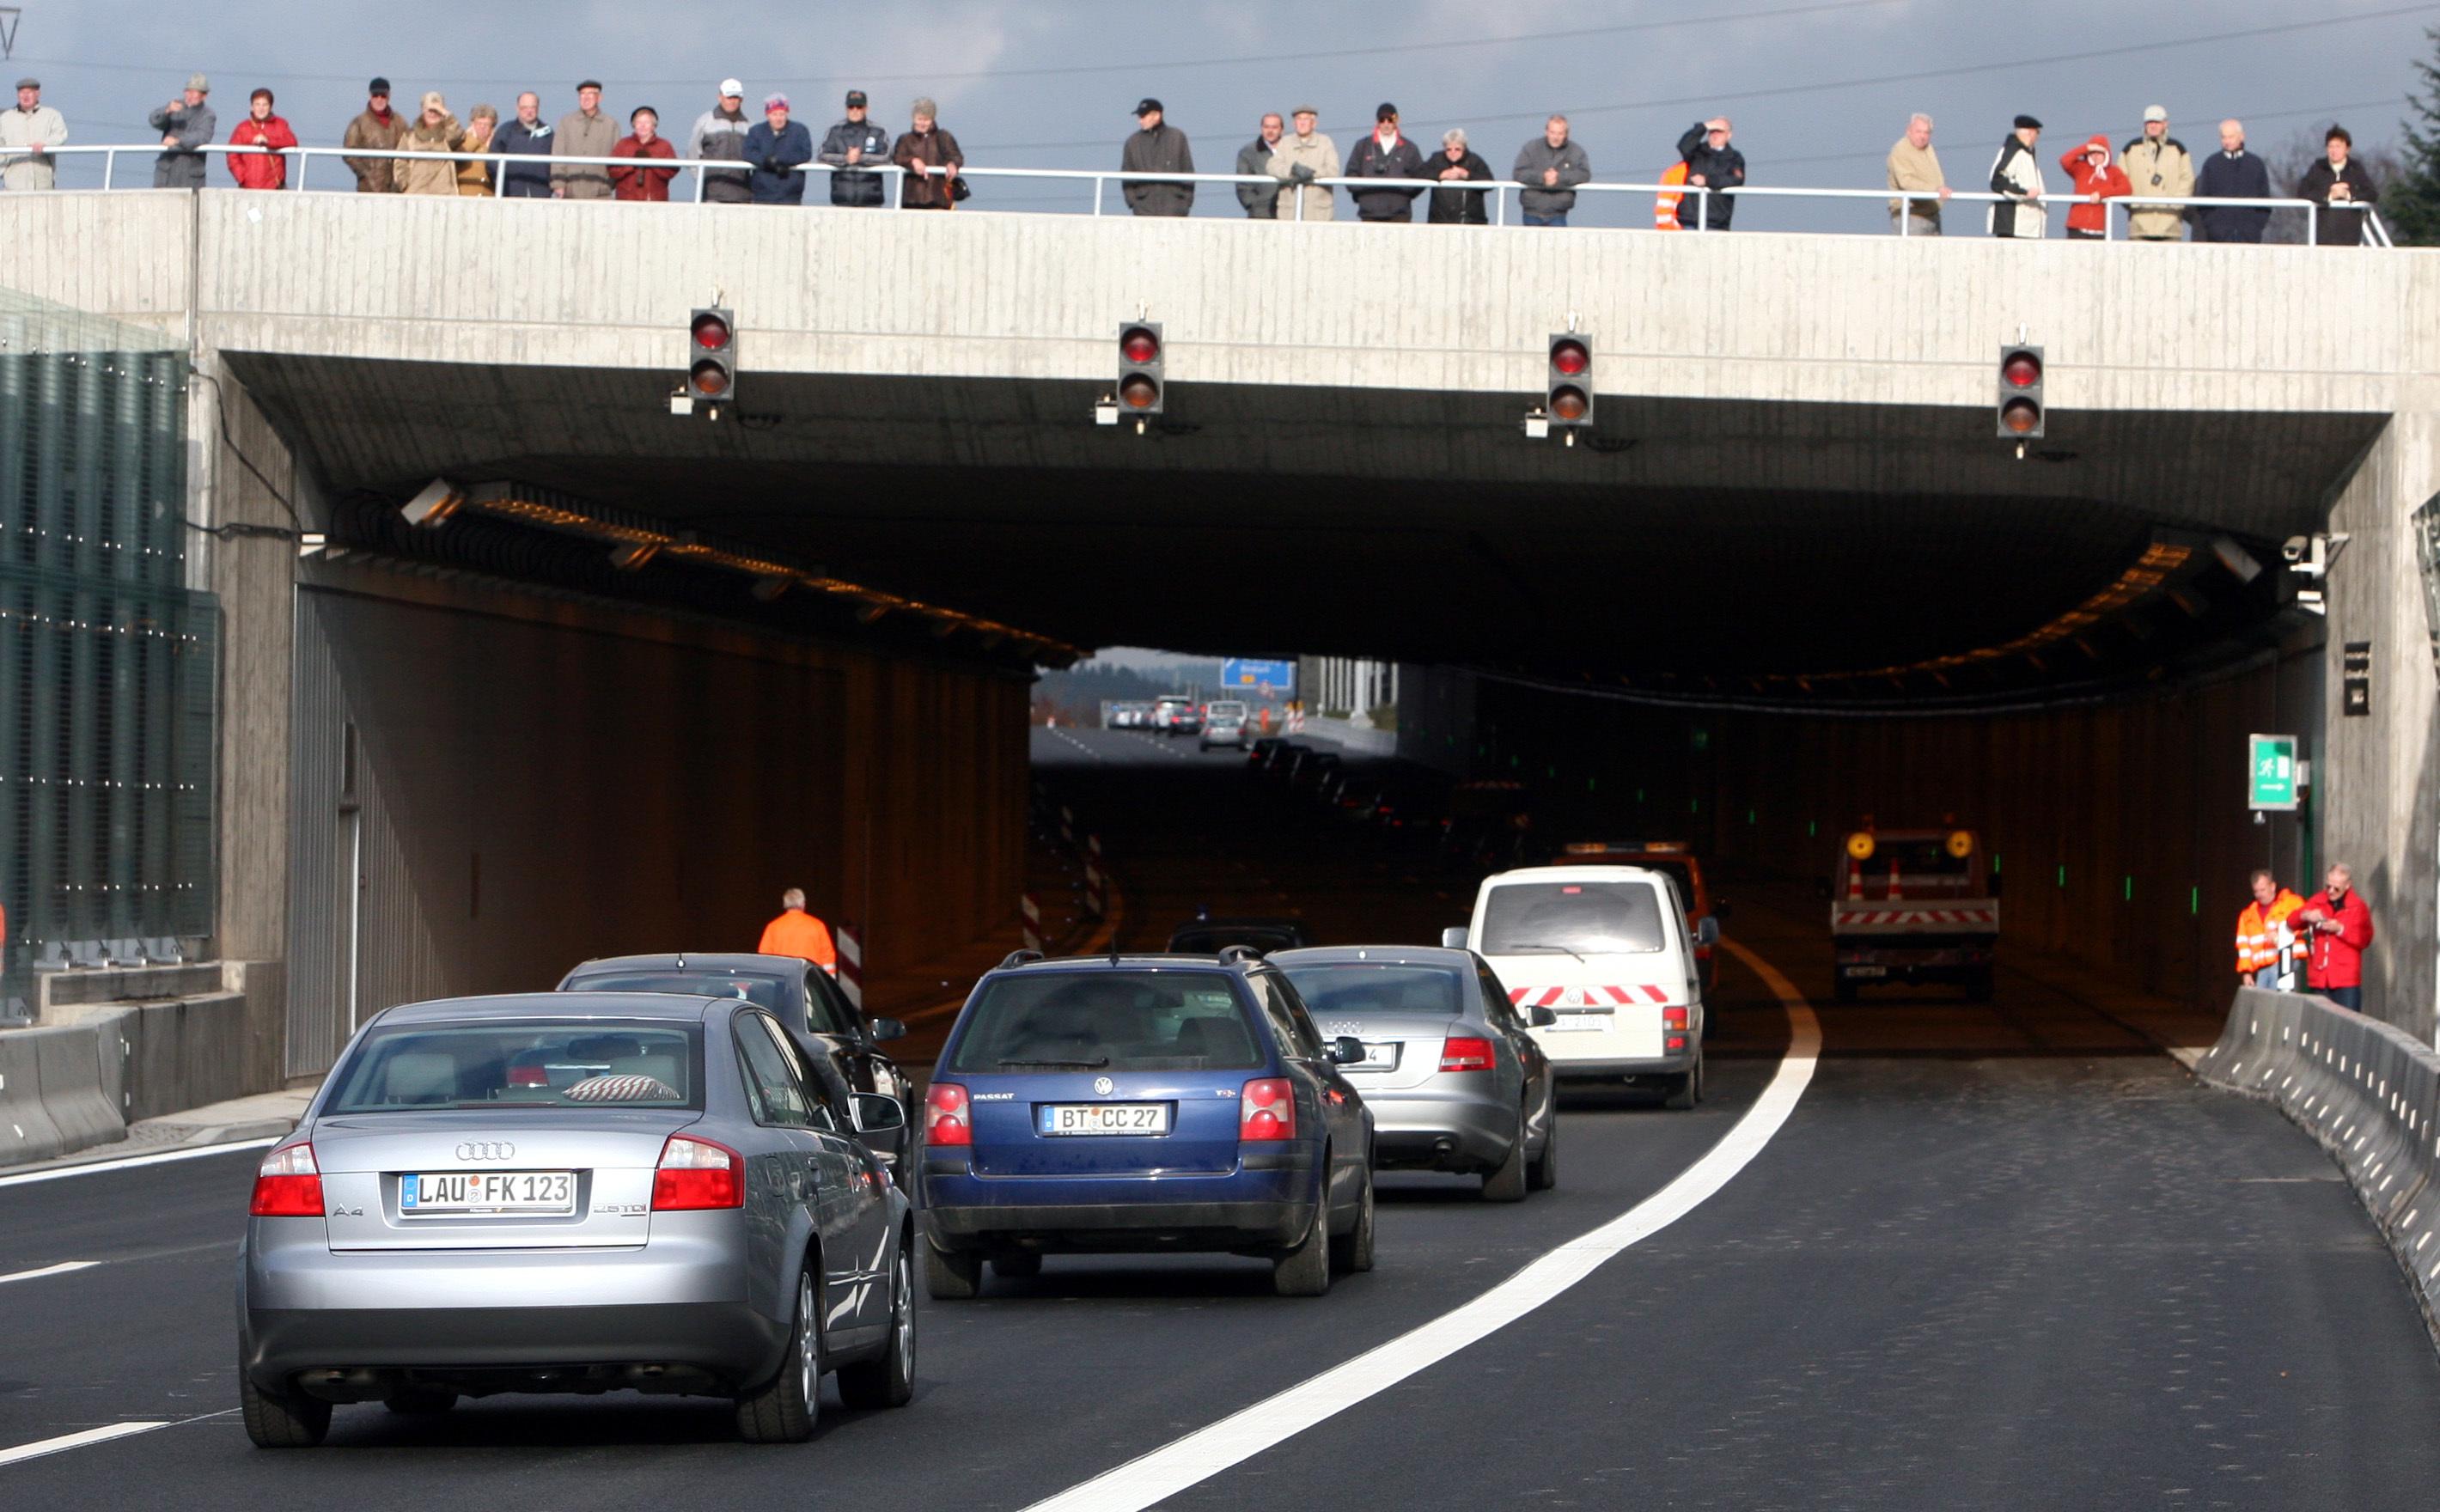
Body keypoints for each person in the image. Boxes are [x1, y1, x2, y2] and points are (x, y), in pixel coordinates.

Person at [2296, 863, 2374, 1011]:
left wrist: (2341, 930)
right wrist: (2306, 915)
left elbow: (2365, 939)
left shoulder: (2358, 907)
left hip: (2346, 981)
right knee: (2319, 1023)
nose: (2331, 891)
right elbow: (2291, 922)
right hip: (2320, 979)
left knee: (2348, 1022)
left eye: (2336, 888)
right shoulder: (2317, 901)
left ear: (2347, 885)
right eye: (2328, 886)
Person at [2120, 105, 2193, 243]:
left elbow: (2187, 179)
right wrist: (2132, 203)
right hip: (2139, 226)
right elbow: (2120, 178)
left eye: (2157, 122)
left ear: (2165, 124)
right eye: (2150, 122)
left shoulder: (2178, 149)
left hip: (2170, 226)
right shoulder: (2131, 149)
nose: (2153, 126)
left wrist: (2176, 204)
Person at [2297, 125, 2380, 247]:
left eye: (2338, 146)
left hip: (2351, 238)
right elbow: (2302, 192)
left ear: (2347, 149)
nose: (2333, 150)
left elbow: (2372, 194)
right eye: (2330, 146)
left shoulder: (2355, 169)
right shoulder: (2318, 168)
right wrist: (2328, 196)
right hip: (2322, 237)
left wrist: (2349, 195)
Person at [1345, 102, 1426, 223]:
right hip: (1369, 214)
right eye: (1382, 120)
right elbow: (1350, 175)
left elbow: (1421, 177)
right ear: (1377, 122)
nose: (1386, 124)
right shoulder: (1363, 146)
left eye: (1390, 120)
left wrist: (1405, 195)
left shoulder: (1409, 148)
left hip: (1400, 215)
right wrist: (1362, 195)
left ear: (1397, 121)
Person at [2193, 119, 2271, 243]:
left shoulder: (2255, 164)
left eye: (2231, 137)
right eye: (2223, 137)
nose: (2227, 141)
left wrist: (2254, 228)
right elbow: (2203, 201)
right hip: (2217, 238)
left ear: (2242, 136)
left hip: (2250, 238)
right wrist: (2214, 228)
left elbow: (2264, 200)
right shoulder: (2212, 164)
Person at [1120, 96, 1194, 217]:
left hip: (1174, 209)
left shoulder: (1177, 137)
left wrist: (1185, 202)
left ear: (1157, 115)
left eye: (1143, 116)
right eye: (1139, 117)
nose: (1140, 121)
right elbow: (1126, 175)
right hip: (1144, 210)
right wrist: (1133, 203)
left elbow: (1188, 171)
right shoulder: (1132, 142)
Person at [817, 88, 892, 208]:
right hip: (842, 200)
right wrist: (846, 158)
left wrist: (860, 158)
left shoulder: (878, 131)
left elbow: (886, 157)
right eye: (851, 107)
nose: (855, 110)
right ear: (846, 108)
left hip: (872, 201)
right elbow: (822, 155)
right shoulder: (835, 131)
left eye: (859, 107)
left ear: (866, 109)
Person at [2234, 870, 2306, 991]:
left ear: (2273, 886)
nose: (2259, 894)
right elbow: (2244, 948)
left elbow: (2305, 924)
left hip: (2286, 962)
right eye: (2256, 891)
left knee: (2277, 998)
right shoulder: (2248, 915)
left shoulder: (2291, 903)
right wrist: (2246, 972)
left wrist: (2281, 935)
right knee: (2261, 1000)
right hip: (2263, 968)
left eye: (2262, 890)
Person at [1512, 113, 1589, 226]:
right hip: (1531, 211)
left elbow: (1584, 174)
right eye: (1552, 132)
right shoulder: (1531, 148)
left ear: (1566, 134)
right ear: (1546, 132)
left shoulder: (1575, 152)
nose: (1555, 137)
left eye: (1560, 133)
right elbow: (1519, 173)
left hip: (1558, 213)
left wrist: (1559, 178)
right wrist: (1542, 178)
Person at [1266, 104, 1339, 221]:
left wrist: (1311, 173)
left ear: (1314, 123)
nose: (1302, 123)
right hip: (1289, 212)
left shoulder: (1325, 142)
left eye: (1306, 119)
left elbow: (1333, 170)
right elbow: (1272, 166)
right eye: (1298, 119)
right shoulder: (1285, 142)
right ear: (1294, 123)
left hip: (1318, 214)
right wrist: (1291, 172)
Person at [892, 98, 964, 210]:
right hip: (911, 202)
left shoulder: (944, 137)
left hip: (939, 201)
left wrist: (952, 164)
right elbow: (897, 158)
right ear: (913, 118)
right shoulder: (905, 139)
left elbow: (956, 156)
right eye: (919, 119)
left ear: (932, 119)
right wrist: (912, 161)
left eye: (926, 120)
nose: (922, 123)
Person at [551, 80, 615, 200]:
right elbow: (558, 154)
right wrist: (558, 184)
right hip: (570, 191)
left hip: (601, 192)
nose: (586, 98)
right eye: (582, 94)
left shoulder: (611, 125)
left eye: (590, 94)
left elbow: (616, 158)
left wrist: (609, 185)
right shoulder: (567, 122)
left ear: (599, 98)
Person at [148, 73, 215, 190]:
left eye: (194, 92)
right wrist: (166, 111)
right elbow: (154, 121)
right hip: (166, 173)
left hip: (191, 176)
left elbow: (202, 136)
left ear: (204, 96)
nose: (190, 96)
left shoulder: (208, 115)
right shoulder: (175, 106)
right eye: (188, 91)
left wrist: (177, 141)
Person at [1886, 112, 1948, 235]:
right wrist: (1935, 190)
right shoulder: (1900, 151)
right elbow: (1906, 182)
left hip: (1932, 216)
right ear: (1909, 131)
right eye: (1918, 132)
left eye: (1926, 132)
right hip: (1910, 216)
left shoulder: (1928, 149)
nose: (1922, 136)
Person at [1676, 116, 1743, 229]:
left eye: (1719, 131)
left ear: (1729, 135)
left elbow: (1735, 180)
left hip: (1717, 221)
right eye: (1712, 131)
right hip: (1689, 220)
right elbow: (1683, 146)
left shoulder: (1734, 158)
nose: (1715, 134)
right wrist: (1704, 126)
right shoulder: (1697, 152)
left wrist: (1707, 181)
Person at [2057, 135, 2130, 241]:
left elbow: (2126, 188)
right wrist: (2087, 147)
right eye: (2093, 152)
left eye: (2099, 153)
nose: (2096, 156)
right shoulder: (2080, 168)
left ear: (2106, 154)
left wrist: (2101, 194)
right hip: (2076, 227)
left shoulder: (2113, 171)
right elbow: (2065, 160)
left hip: (2099, 229)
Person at [1, 77, 68, 192]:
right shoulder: (5, 119)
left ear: (37, 94)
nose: (25, 96)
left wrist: (45, 144)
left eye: (29, 92)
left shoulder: (51, 115)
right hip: (14, 183)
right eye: (22, 93)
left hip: (43, 182)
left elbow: (60, 135)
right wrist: (3, 171)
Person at [692, 79, 753, 205]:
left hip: (743, 195)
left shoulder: (749, 126)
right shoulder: (705, 122)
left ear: (741, 99)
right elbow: (693, 156)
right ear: (720, 97)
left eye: (736, 97)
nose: (732, 101)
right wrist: (701, 182)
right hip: (712, 195)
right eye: (729, 97)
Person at [1987, 114, 2046, 239]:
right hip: (2013, 225)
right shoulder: (2014, 151)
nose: (2037, 137)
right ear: (2030, 133)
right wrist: (2024, 192)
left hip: (2024, 226)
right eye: (2037, 132)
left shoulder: (2026, 153)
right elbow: (1998, 181)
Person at [226, 88, 296, 191]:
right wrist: (243, 178)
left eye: (265, 105)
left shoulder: (280, 124)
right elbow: (232, 155)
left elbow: (292, 142)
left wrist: (269, 141)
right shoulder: (243, 128)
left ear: (270, 107)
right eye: (257, 104)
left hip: (275, 188)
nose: (261, 108)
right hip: (248, 188)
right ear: (252, 107)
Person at [395, 92, 464, 196]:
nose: (433, 114)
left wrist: (446, 113)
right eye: (429, 110)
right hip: (415, 193)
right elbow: (400, 161)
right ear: (422, 110)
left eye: (436, 111)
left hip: (444, 194)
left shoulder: (447, 135)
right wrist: (404, 184)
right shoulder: (410, 136)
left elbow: (458, 135)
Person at [344, 78, 402, 193]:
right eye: (376, 95)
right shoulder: (359, 123)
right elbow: (349, 153)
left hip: (394, 190)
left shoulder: (399, 122)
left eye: (383, 95)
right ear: (370, 95)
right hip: (367, 190)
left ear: (389, 96)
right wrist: (365, 174)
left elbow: (408, 149)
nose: (379, 99)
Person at [758, 887, 837, 972]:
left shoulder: (773, 927)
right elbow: (828, 957)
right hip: (810, 976)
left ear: (785, 904)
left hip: (783, 976)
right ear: (803, 904)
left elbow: (764, 958)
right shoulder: (817, 926)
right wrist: (829, 978)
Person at [1425, 127, 1493, 225]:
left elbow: (1489, 182)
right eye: (1449, 149)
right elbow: (1419, 174)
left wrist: (1467, 175)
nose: (1453, 153)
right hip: (1440, 222)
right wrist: (1440, 175)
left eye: (1457, 149)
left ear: (1464, 148)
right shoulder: (1436, 160)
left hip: (1471, 222)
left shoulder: (1474, 161)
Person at [610, 106, 678, 202]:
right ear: (634, 125)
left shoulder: (664, 145)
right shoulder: (623, 144)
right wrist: (631, 165)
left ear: (654, 126)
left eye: (647, 122)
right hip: (627, 200)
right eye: (639, 122)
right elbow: (612, 170)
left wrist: (652, 162)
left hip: (655, 201)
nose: (643, 126)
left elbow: (672, 170)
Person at [495, 92, 552, 198]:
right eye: (524, 108)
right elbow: (492, 162)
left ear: (538, 108)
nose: (529, 111)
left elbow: (555, 164)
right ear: (517, 108)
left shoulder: (548, 133)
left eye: (532, 107)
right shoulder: (505, 131)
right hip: (511, 193)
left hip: (541, 193)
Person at [1235, 112, 1282, 218]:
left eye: (1274, 127)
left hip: (1287, 211)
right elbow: (1242, 184)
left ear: (1281, 130)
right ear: (1261, 128)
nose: (1270, 131)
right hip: (1260, 213)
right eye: (1266, 127)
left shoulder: (1290, 150)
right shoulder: (1248, 152)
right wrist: (1253, 204)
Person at [455, 104, 497, 196]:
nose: (482, 127)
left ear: (492, 127)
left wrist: (489, 146)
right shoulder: (462, 141)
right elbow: (457, 157)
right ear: (472, 124)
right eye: (479, 124)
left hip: (488, 197)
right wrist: (473, 140)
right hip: (464, 196)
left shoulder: (496, 145)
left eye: (486, 124)